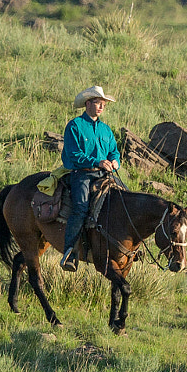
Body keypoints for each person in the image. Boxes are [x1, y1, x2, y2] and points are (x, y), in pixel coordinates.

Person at [60, 85, 122, 271]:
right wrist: (97, 161)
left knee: (124, 200)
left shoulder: (106, 130)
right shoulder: (75, 126)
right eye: (98, 103)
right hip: (82, 174)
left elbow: (114, 151)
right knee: (80, 207)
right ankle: (70, 252)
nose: (101, 107)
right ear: (88, 104)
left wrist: (115, 162)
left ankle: (123, 247)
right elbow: (73, 154)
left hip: (104, 174)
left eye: (103, 104)